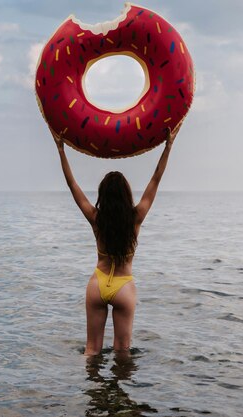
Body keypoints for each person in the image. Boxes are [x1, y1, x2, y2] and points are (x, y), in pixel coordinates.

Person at [51, 124, 181, 356]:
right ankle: (120, 392)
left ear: (102, 195)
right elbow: (155, 180)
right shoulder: (136, 217)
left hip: (97, 284)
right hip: (123, 287)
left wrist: (61, 149)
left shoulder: (96, 218)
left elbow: (73, 186)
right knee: (123, 352)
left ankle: (93, 392)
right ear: (126, 194)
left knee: (92, 350)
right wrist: (168, 147)